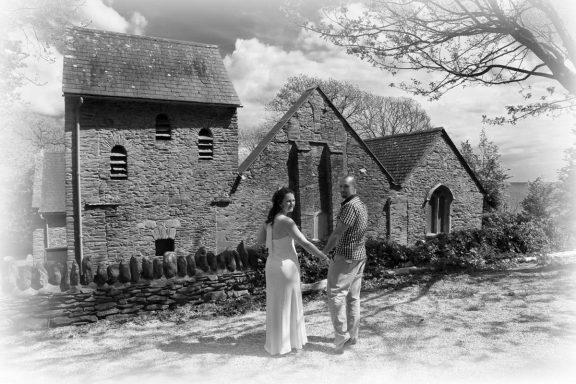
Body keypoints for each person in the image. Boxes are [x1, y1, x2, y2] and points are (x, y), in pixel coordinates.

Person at [256, 187, 329, 356]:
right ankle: (286, 343)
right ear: (280, 202)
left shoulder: (269, 221)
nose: (292, 204)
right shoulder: (287, 222)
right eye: (288, 201)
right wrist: (322, 256)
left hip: (272, 266)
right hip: (286, 268)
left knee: (276, 304)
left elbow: (259, 242)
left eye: (293, 200)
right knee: (287, 304)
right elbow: (305, 243)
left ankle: (278, 344)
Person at [323, 175, 368, 354]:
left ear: (354, 187)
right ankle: (353, 335)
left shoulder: (350, 207)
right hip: (359, 256)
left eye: (346, 187)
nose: (342, 190)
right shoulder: (361, 205)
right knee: (352, 297)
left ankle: (341, 337)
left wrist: (323, 253)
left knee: (335, 294)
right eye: (340, 186)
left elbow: (336, 234)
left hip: (346, 257)